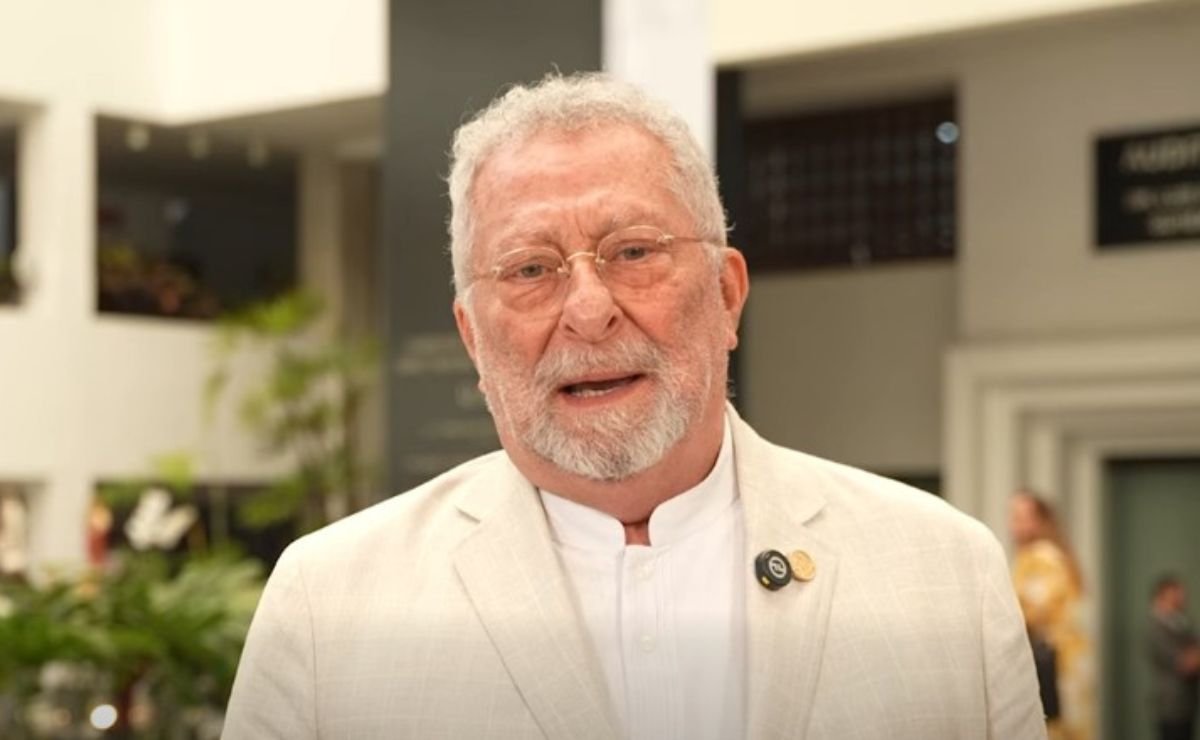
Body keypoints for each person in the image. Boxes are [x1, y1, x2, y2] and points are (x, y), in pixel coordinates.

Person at [223, 73, 1046, 739]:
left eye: (633, 252)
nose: (589, 311)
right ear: (473, 338)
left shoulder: (942, 573)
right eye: (530, 269)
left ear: (727, 294)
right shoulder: (329, 605)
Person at [1010, 491, 1094, 740]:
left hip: (1054, 664)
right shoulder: (1058, 556)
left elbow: (1034, 611)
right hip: (1071, 664)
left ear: (1039, 521)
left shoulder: (1039, 557)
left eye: (1019, 517)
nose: (1012, 524)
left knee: (1053, 729)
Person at [1148, 575, 1200, 740]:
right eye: (1175, 595)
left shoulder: (1181, 623)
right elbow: (1185, 663)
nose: (1180, 600)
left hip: (1187, 704)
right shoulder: (1156, 629)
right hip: (1172, 707)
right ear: (1161, 598)